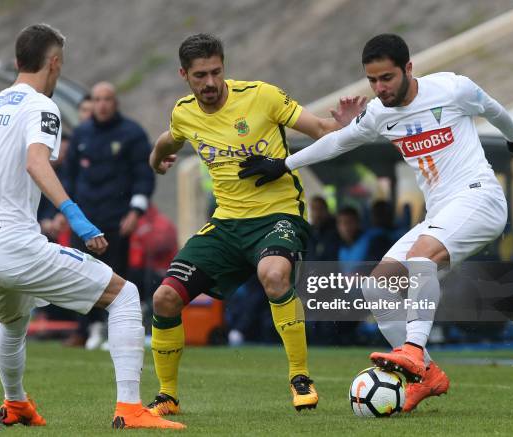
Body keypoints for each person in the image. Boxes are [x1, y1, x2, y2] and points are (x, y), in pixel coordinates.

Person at [237, 33, 513, 413]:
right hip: (441, 212)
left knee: (421, 257)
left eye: (387, 78)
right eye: (372, 80)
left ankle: (412, 349)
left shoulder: (452, 89)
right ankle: (425, 373)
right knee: (376, 286)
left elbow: (489, 106)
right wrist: (284, 164)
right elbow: (339, 141)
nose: (380, 88)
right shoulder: (380, 113)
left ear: (409, 68)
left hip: (480, 198)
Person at [0, 23, 183, 430]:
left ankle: (15, 404)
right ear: (54, 64)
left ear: (17, 62)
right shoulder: (40, 106)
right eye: (60, 64)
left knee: (12, 324)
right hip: (17, 246)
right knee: (125, 296)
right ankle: (131, 408)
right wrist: (75, 216)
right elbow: (37, 163)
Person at [147, 33, 366, 415]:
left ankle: (300, 377)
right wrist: (156, 159)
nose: (210, 83)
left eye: (216, 71)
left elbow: (317, 129)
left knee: (274, 274)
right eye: (200, 75)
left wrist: (347, 125)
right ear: (184, 74)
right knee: (164, 298)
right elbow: (171, 138)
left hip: (278, 215)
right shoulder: (184, 112)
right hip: (227, 224)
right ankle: (167, 396)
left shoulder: (261, 96)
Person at [63, 81, 154, 349]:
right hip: (85, 219)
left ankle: (112, 329)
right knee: (81, 273)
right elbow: (68, 176)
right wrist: (66, 210)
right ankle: (85, 329)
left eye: (107, 99)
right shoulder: (81, 134)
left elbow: (143, 175)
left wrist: (136, 211)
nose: (102, 104)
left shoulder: (132, 134)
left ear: (115, 103)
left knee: (116, 275)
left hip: (117, 218)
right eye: (97, 99)